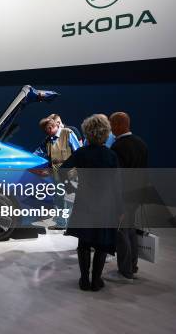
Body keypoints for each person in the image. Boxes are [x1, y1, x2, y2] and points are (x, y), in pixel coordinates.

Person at [60, 114, 123, 291]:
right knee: (102, 243)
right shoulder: (111, 155)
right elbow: (117, 185)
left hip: (85, 201)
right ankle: (96, 281)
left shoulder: (81, 153)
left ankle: (84, 280)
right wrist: (120, 209)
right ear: (106, 132)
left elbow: (63, 170)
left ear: (87, 132)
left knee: (84, 242)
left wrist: (71, 187)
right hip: (106, 204)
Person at [104, 112, 148, 283]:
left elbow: (117, 178)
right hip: (137, 196)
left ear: (120, 125)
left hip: (123, 198)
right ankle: (133, 265)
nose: (110, 128)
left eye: (112, 124)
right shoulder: (141, 143)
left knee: (122, 234)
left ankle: (126, 270)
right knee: (130, 231)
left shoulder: (118, 147)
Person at [35, 116, 81, 229]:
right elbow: (38, 153)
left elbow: (78, 152)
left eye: (46, 131)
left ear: (50, 128)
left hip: (71, 174)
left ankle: (72, 226)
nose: (46, 134)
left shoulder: (68, 133)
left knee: (70, 200)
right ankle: (61, 223)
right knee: (59, 200)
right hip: (56, 176)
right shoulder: (48, 140)